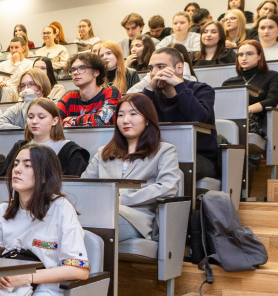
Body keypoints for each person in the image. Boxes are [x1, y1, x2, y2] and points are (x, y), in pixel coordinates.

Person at [0, 144, 90, 296]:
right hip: (6, 293)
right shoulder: (4, 210)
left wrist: (25, 278)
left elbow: (79, 270)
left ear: (45, 175)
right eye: (15, 164)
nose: (17, 170)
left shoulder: (61, 208)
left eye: (27, 165)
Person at [82, 94, 181, 241]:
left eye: (133, 114)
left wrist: (123, 199)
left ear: (147, 120)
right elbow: (84, 185)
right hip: (100, 211)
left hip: (136, 218)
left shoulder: (164, 150)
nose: (125, 120)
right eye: (121, 115)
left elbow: (168, 187)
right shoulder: (103, 152)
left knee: (84, 227)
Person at [142, 47, 218, 179]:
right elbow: (137, 119)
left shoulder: (202, 90)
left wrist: (178, 85)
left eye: (160, 67)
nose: (154, 73)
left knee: (167, 169)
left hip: (198, 157)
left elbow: (197, 118)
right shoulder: (152, 94)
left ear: (179, 68)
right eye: (150, 68)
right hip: (160, 156)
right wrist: (149, 88)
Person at [3, 99, 90, 176]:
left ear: (55, 121)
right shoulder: (19, 147)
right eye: (30, 117)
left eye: (41, 117)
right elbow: (4, 181)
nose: (34, 121)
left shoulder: (71, 152)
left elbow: (74, 188)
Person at [222, 41, 278, 132]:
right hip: (231, 121)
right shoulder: (228, 83)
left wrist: (246, 110)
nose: (244, 58)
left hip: (255, 121)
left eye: (249, 54)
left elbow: (272, 100)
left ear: (259, 56)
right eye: (240, 55)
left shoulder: (271, 76)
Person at [56, 53, 120, 127]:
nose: (75, 72)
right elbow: (54, 122)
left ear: (96, 72)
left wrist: (72, 120)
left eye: (82, 68)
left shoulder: (110, 92)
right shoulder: (70, 96)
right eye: (73, 69)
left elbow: (101, 120)